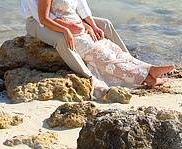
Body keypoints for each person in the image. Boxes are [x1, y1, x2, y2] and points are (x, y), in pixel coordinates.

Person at [22, 0, 174, 98]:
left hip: (75, 26)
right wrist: (66, 29)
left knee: (108, 46)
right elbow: (43, 18)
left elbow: (80, 8)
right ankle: (147, 76)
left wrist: (90, 26)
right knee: (98, 53)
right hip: (43, 23)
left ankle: (142, 68)